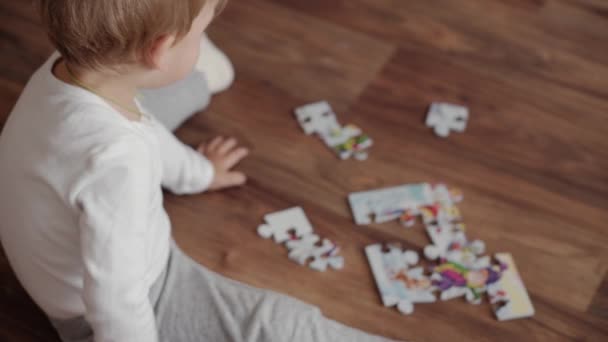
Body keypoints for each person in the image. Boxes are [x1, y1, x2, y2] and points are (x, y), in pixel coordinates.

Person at [0, 0, 393, 341]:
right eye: (198, 34)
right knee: (275, 326)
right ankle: (197, 74)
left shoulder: (62, 68)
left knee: (143, 96)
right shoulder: (117, 161)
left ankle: (197, 75)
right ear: (161, 48)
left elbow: (143, 129)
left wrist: (200, 173)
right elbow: (115, 299)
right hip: (106, 315)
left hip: (55, 245)